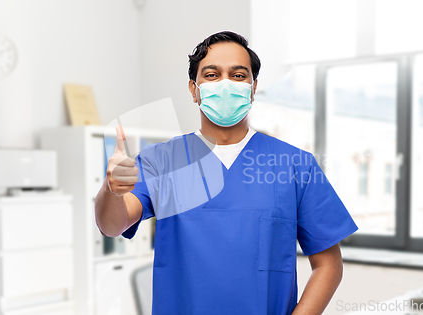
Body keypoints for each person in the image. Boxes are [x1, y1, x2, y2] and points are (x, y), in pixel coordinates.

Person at [95, 30, 358, 315]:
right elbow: (111, 225)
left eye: (238, 75)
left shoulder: (296, 165)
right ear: (193, 89)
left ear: (253, 88)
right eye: (211, 75)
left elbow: (329, 265)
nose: (225, 84)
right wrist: (112, 189)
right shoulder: (162, 162)